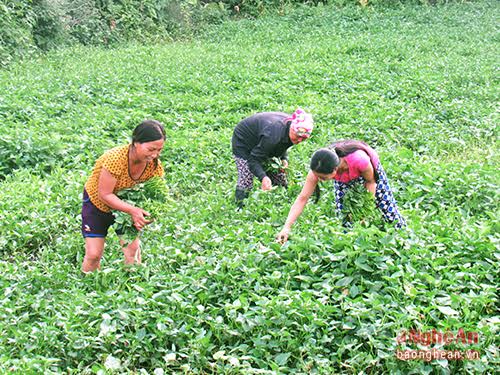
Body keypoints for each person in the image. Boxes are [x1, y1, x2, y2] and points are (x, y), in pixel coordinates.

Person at [276, 140, 406, 243]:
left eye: (323, 178)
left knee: (386, 206)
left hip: (369, 175)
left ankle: (402, 237)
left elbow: (371, 182)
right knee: (345, 215)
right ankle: (351, 242)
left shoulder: (359, 160)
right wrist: (286, 227)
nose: (319, 180)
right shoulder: (318, 169)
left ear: (335, 169)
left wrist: (365, 211)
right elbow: (302, 198)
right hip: (344, 178)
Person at [81, 120, 166, 272]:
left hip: (126, 206)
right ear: (135, 143)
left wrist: (149, 213)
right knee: (94, 255)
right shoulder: (116, 159)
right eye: (151, 149)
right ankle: (86, 290)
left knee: (133, 251)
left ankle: (133, 286)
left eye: (159, 150)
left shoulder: (154, 165)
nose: (155, 155)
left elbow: (154, 194)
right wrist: (133, 210)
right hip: (97, 204)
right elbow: (104, 194)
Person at [231, 108, 314, 206]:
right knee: (246, 178)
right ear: (291, 128)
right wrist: (263, 177)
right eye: (298, 136)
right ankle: (239, 208)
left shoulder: (291, 130)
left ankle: (282, 204)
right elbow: (253, 160)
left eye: (303, 139)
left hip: (263, 139)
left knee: (279, 176)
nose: (300, 140)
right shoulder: (273, 136)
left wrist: (284, 158)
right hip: (243, 141)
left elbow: (283, 142)